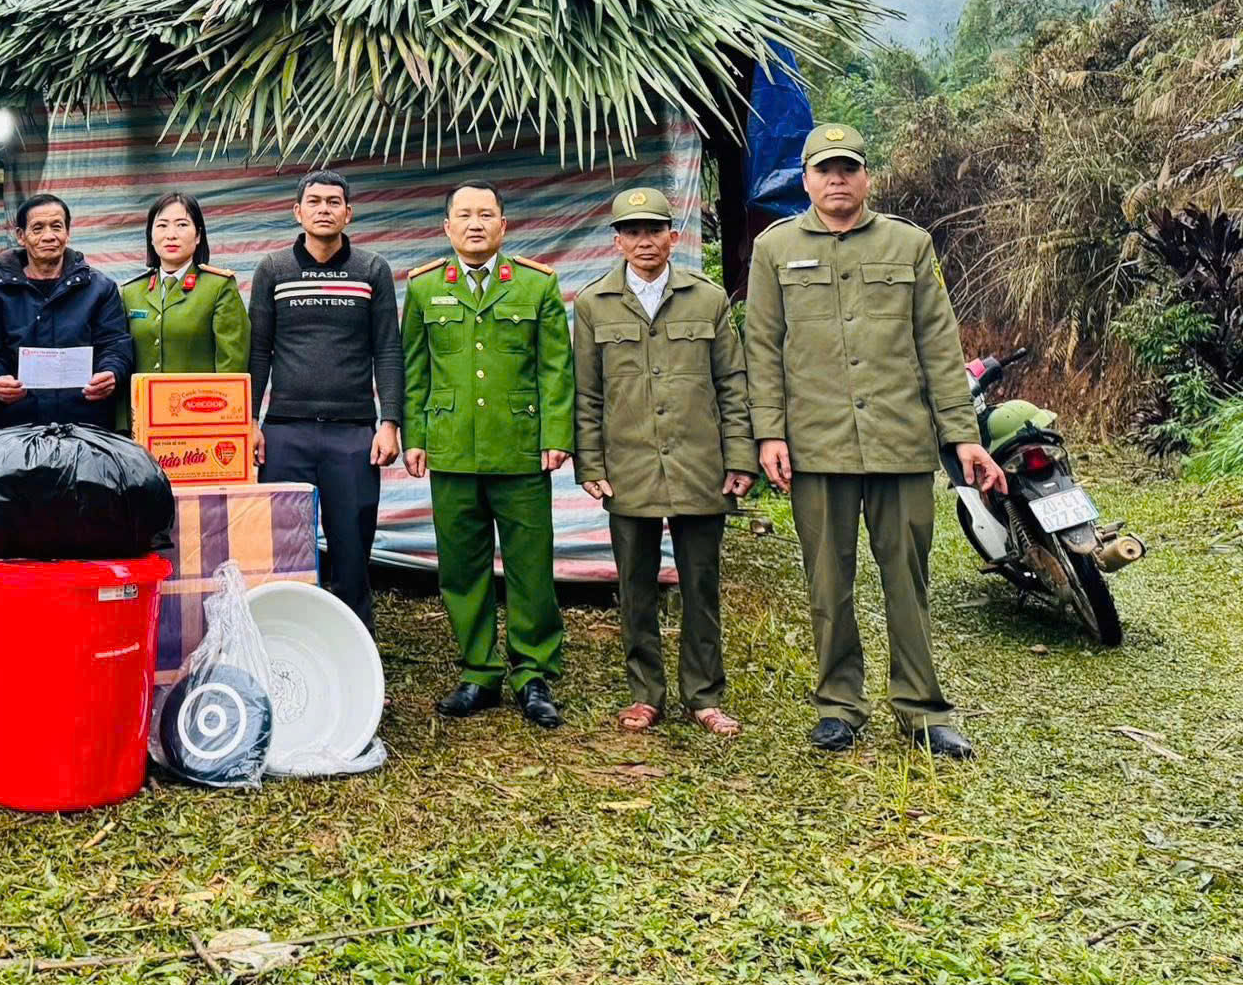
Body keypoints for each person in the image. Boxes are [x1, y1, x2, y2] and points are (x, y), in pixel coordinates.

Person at [746, 123, 1007, 761]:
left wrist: (963, 438)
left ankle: (921, 709)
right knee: (827, 583)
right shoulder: (774, 249)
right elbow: (760, 349)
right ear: (806, 179)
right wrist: (770, 432)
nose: (838, 180)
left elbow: (940, 347)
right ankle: (840, 704)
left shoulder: (909, 245)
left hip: (900, 442)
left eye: (850, 169)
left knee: (907, 579)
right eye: (825, 169)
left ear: (867, 177)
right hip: (817, 444)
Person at [571, 186, 757, 739]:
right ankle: (644, 694)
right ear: (618, 241)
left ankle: (703, 695)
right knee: (635, 583)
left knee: (701, 583)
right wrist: (590, 463)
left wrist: (740, 456)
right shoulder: (592, 304)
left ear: (673, 237)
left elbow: (732, 383)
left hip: (700, 464)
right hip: (628, 467)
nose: (644, 241)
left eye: (654, 230)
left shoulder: (707, 299)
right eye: (632, 232)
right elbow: (586, 394)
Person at [401, 181, 572, 728]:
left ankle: (533, 671)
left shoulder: (535, 284)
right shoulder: (425, 288)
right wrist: (415, 437)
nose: (475, 224)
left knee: (530, 566)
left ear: (504, 225)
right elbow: (414, 370)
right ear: (447, 227)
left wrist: (556, 435)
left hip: (520, 448)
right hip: (451, 449)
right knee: (461, 567)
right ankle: (479, 670)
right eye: (464, 216)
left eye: (486, 215)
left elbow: (554, 367)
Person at [249, 170, 404, 632]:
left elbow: (388, 350)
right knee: (281, 547)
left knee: (352, 549)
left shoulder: (372, 270)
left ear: (348, 213)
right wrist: (249, 421)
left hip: (353, 432)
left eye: (333, 202)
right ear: (297, 212)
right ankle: (281, 644)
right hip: (283, 431)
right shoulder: (273, 269)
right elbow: (259, 351)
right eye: (313, 201)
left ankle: (356, 655)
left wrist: (390, 421)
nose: (324, 209)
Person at [0, 193, 134, 429]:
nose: (48, 236)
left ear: (68, 233)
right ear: (21, 236)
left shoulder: (100, 289)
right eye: (37, 228)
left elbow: (115, 345)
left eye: (56, 226)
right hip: (16, 424)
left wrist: (110, 372)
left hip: (86, 423)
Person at [117, 192, 248, 428]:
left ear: (198, 235)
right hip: (141, 423)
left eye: (182, 225)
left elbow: (232, 367)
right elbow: (121, 362)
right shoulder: (130, 292)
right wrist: (122, 427)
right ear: (151, 235)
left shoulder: (218, 287)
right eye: (162, 225)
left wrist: (225, 424)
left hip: (198, 423)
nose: (171, 235)